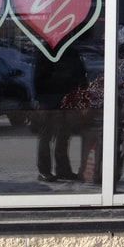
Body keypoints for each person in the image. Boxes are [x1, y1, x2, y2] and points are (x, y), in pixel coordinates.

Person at [34, 47, 87, 182]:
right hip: (51, 98)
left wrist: (81, 90)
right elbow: (39, 77)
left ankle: (61, 169)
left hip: (63, 97)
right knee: (48, 135)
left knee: (63, 135)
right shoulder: (48, 49)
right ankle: (46, 171)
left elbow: (79, 71)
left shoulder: (69, 48)